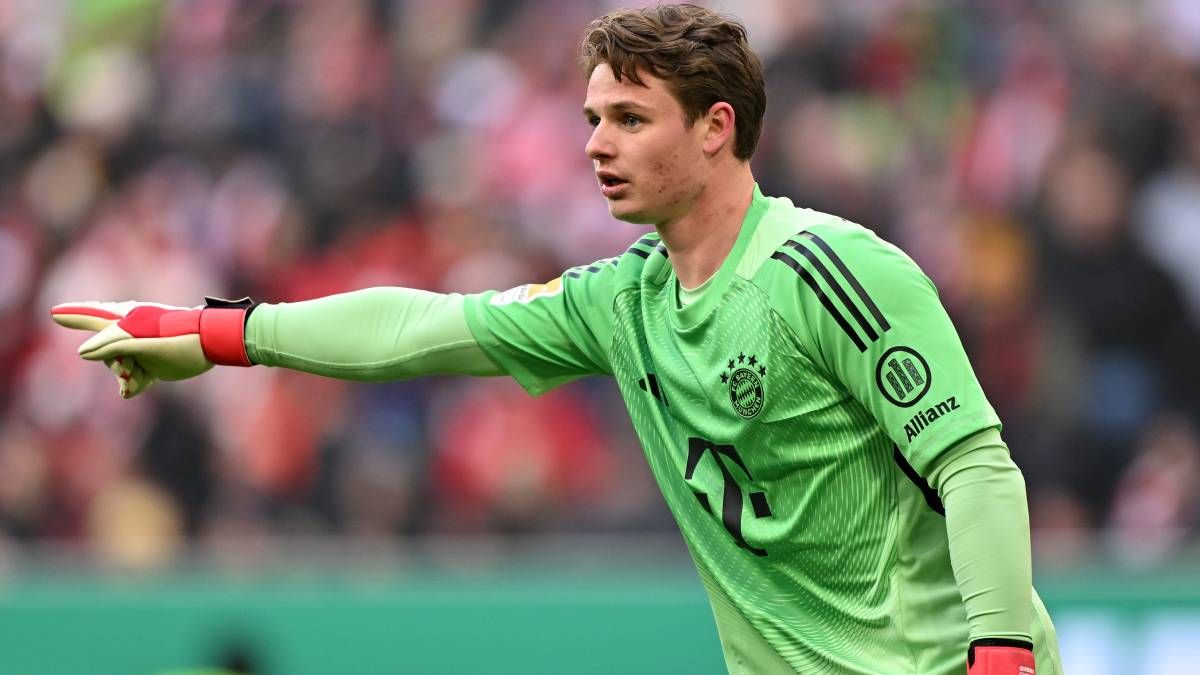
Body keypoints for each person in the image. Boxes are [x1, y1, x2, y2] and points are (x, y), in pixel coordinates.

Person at [51, 5, 1060, 674]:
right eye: (591, 117)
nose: (595, 144)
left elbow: (974, 465)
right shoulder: (622, 300)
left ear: (716, 128)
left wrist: (1002, 659)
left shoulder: (830, 271)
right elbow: (421, 327)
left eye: (630, 118)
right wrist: (211, 332)